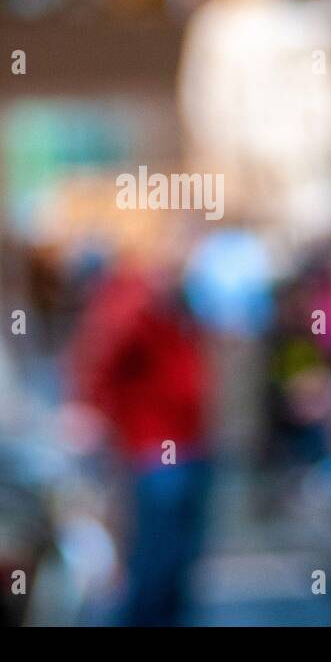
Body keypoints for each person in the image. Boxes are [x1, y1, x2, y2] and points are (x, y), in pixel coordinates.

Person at [68, 263, 211, 626]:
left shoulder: (178, 314)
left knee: (179, 557)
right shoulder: (134, 309)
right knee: (155, 559)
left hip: (189, 447)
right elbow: (100, 357)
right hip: (157, 452)